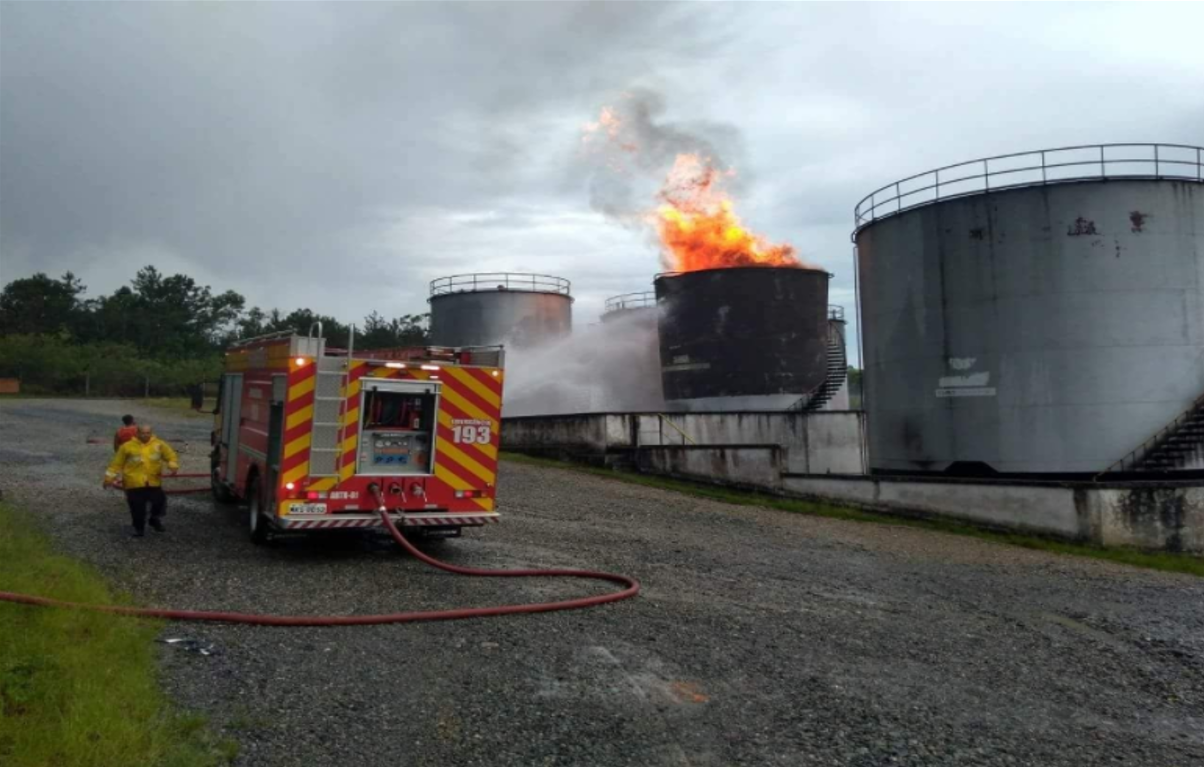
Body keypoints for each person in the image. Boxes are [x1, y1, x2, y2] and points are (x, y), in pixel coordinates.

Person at [103, 423, 179, 538]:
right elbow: (116, 464)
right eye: (142, 433)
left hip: (153, 481)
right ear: (137, 433)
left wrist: (173, 466)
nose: (145, 435)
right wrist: (108, 478)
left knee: (160, 502)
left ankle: (154, 519)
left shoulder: (159, 444)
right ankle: (139, 529)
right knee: (137, 508)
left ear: (151, 433)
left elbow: (171, 456)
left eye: (148, 433)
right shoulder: (127, 446)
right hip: (133, 483)